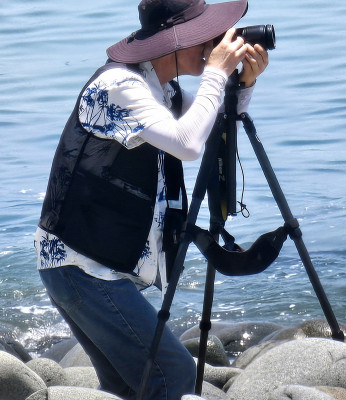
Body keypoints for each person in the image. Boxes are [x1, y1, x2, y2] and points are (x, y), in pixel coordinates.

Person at [34, 0, 269, 398]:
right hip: (81, 265)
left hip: (90, 263)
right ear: (173, 41)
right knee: (171, 374)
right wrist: (216, 73)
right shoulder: (118, 86)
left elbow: (213, 129)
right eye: (203, 37)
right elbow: (187, 144)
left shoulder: (162, 89)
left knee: (128, 386)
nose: (212, 44)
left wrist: (241, 85)